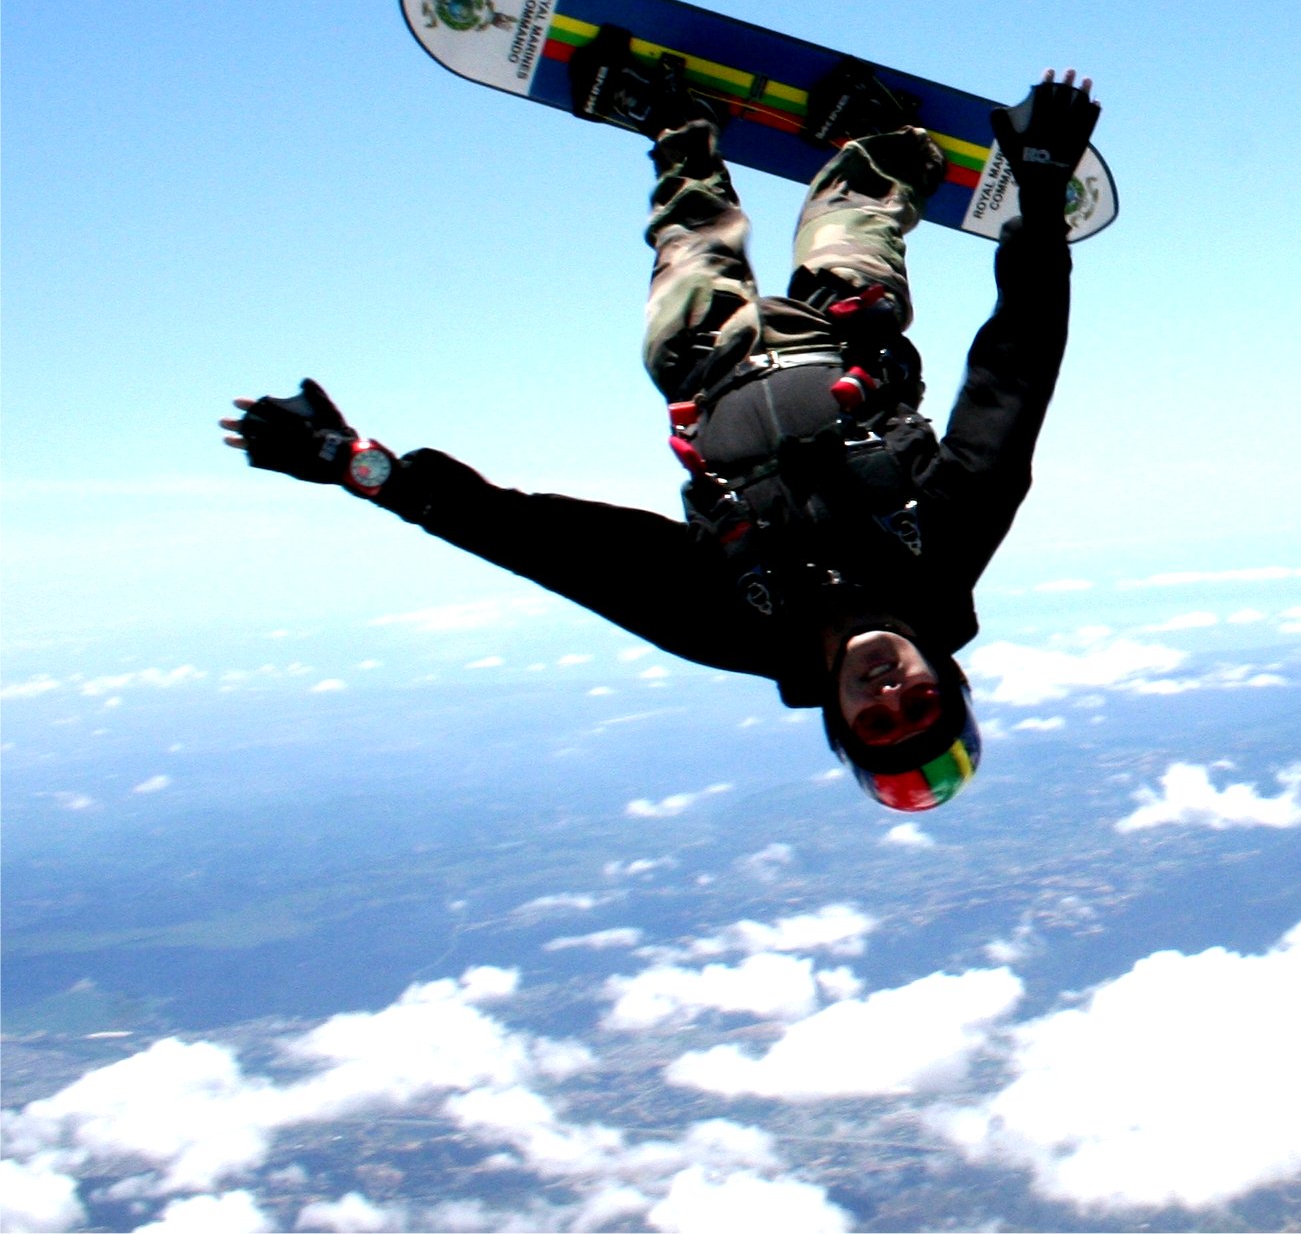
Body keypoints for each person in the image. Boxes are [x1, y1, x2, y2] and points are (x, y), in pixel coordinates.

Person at [221, 53, 1101, 813]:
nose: (888, 693)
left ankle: (679, 125)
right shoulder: (944, 545)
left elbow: (537, 541)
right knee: (855, 220)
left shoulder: (732, 624)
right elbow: (1015, 370)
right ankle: (882, 139)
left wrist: (355, 464)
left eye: (875, 720)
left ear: (838, 720)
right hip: (835, 330)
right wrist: (1037, 188)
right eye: (920, 704)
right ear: (948, 677)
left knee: (690, 238)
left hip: (703, 362)